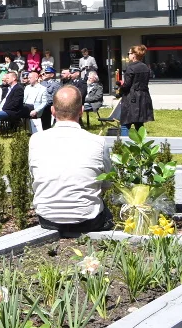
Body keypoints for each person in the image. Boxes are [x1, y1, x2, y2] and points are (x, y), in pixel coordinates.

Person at [30, 86, 114, 236]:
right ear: (81, 110)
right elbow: (108, 183)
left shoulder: (36, 140)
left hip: (47, 218)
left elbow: (34, 176)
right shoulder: (98, 142)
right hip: (88, 219)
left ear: (52, 111)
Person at [118, 44, 155, 131]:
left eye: (129, 53)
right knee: (139, 123)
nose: (129, 55)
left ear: (134, 55)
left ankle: (124, 143)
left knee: (125, 124)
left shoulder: (131, 68)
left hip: (132, 98)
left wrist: (121, 87)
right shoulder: (145, 67)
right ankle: (141, 143)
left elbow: (127, 85)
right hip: (143, 97)